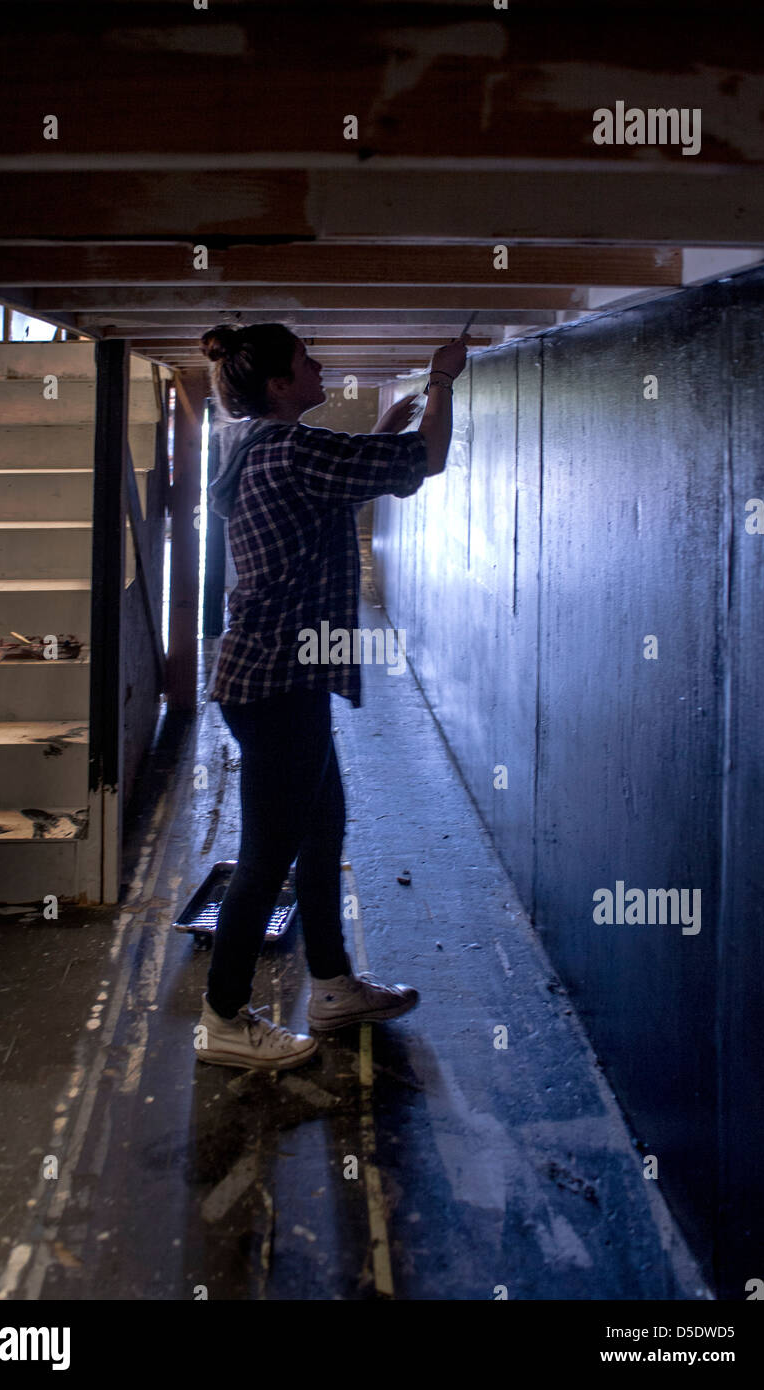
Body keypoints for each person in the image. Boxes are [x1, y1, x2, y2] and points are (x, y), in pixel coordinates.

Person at [194, 320, 468, 1069]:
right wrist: (443, 380)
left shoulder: (257, 445)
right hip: (280, 680)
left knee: (322, 828)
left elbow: (325, 495)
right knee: (266, 856)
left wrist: (384, 422)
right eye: (307, 361)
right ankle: (223, 1019)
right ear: (281, 383)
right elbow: (428, 460)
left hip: (273, 677)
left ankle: (332, 985)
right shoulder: (295, 449)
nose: (320, 368)